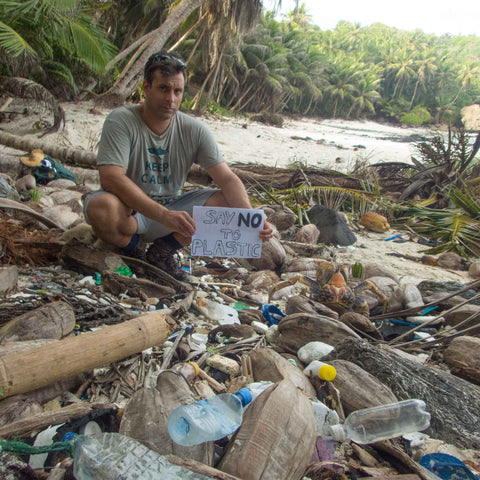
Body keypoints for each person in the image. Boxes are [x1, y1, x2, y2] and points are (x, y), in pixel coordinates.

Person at [83, 50, 273, 281]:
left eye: (177, 91)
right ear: (146, 87)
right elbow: (111, 178)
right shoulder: (121, 120)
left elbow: (227, 178)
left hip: (174, 210)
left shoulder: (193, 129)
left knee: (229, 203)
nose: (170, 99)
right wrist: (163, 215)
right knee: (100, 206)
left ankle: (163, 251)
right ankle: (133, 248)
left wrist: (252, 219)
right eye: (163, 88)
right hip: (131, 211)